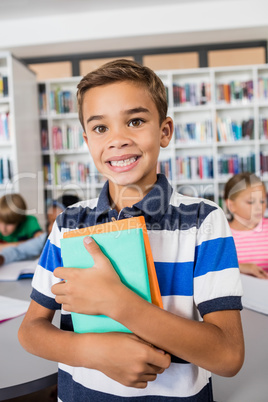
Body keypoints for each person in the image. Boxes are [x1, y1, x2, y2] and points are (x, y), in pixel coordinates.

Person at [18, 59, 244, 402]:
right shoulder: (68, 223)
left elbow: (227, 356)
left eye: (135, 121)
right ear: (86, 141)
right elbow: (31, 331)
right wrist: (94, 351)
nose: (118, 140)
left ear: (164, 131)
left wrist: (119, 304)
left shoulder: (203, 221)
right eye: (100, 128)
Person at [224, 172, 268, 279]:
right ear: (231, 205)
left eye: (262, 201)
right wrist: (241, 267)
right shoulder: (222, 235)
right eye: (251, 202)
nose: (259, 207)